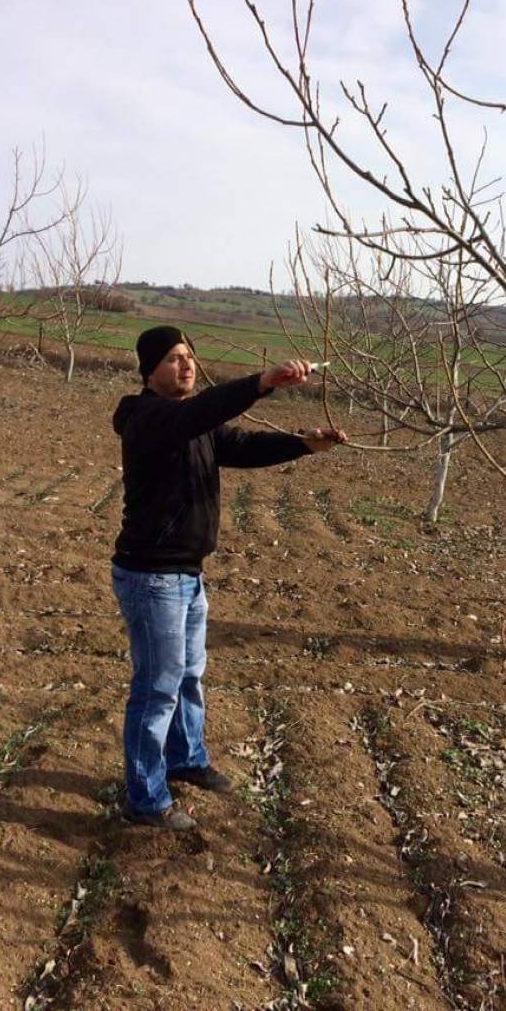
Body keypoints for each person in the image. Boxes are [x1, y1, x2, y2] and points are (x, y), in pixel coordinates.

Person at [112, 325, 346, 830]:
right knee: (156, 689)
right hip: (152, 577)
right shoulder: (149, 418)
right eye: (174, 358)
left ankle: (186, 758)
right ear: (149, 371)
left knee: (187, 676)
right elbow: (204, 412)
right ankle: (145, 798)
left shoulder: (192, 423)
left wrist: (305, 445)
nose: (186, 364)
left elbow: (241, 444)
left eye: (189, 355)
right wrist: (263, 382)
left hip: (185, 575)